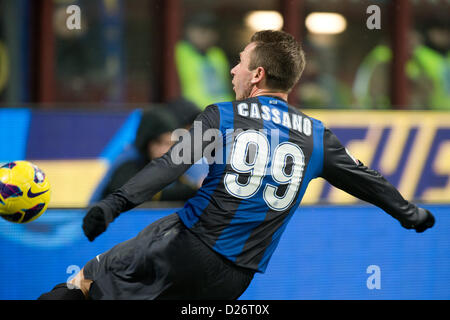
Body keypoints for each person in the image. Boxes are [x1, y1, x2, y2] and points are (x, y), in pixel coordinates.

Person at [38, 30, 435, 300]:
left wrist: (113, 204)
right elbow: (368, 181)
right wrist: (410, 213)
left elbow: (171, 164)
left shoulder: (223, 117)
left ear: (258, 74)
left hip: (184, 246)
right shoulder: (316, 136)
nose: (233, 69)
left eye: (240, 62)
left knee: (84, 283)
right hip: (236, 280)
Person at [97, 107, 198, 202]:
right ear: (146, 143)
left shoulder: (174, 171)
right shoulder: (127, 167)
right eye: (160, 143)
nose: (165, 150)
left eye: (170, 144)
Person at [175, 12, 233, 110]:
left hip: (223, 111)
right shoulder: (180, 52)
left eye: (212, 32)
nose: (208, 36)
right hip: (193, 113)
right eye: (203, 31)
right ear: (190, 31)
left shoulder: (217, 54)